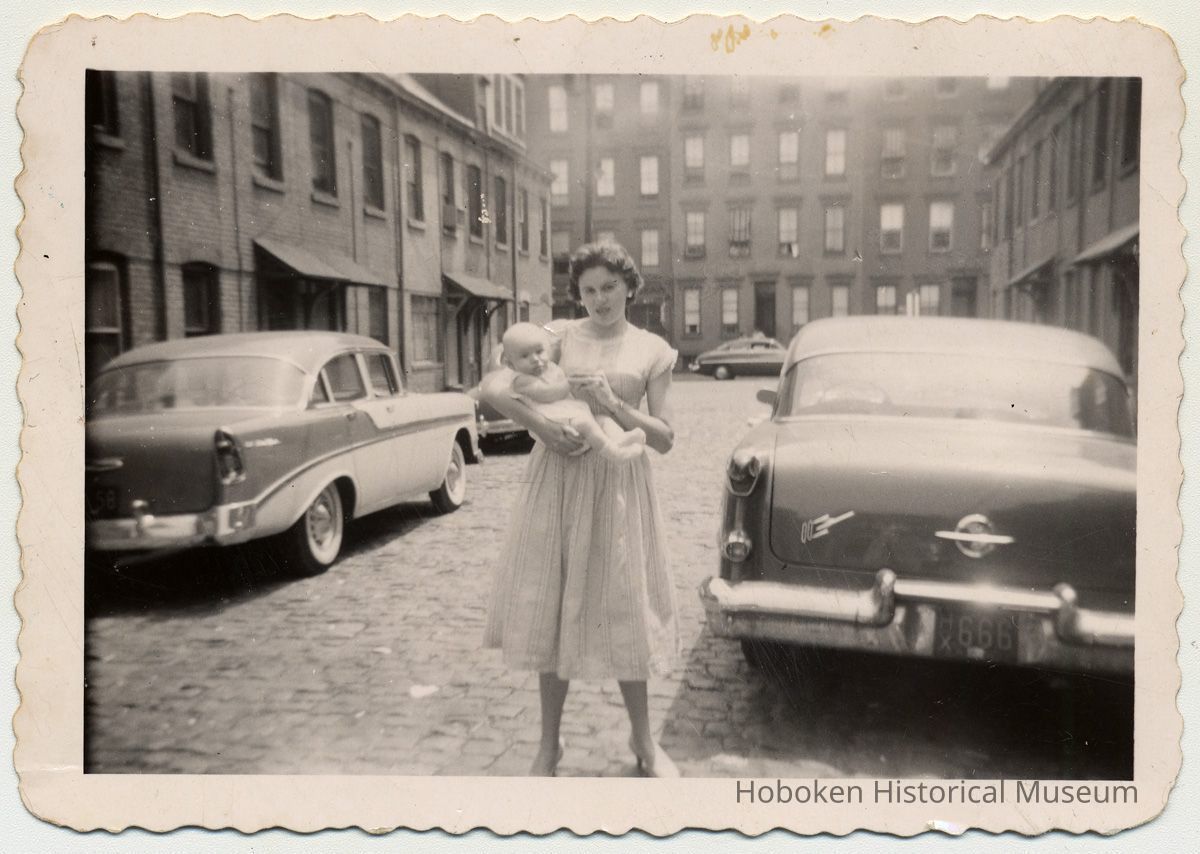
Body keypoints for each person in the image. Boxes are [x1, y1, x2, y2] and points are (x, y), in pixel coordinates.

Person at [482, 242, 681, 777]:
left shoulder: (651, 349)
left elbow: (664, 439)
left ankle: (644, 741)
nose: (600, 299)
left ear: (630, 287)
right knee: (554, 605)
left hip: (619, 484)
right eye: (589, 290)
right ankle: (549, 744)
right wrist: (540, 426)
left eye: (610, 287)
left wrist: (614, 404)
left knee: (627, 606)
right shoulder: (559, 335)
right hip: (559, 483)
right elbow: (492, 383)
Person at [500, 322, 647, 462]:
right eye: (524, 356)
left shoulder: (549, 368)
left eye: (539, 351)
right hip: (558, 424)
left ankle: (621, 438)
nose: (535, 359)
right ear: (510, 364)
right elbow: (548, 394)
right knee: (586, 423)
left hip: (569, 418)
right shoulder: (521, 381)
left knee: (603, 420)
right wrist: (568, 383)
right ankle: (614, 453)